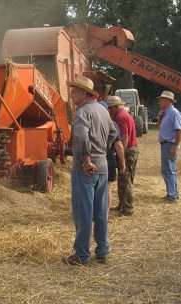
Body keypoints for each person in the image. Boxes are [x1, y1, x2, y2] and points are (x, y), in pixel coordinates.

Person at [62, 75, 117, 266]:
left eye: (75, 91)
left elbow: (81, 137)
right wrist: (102, 151)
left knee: (83, 212)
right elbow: (113, 133)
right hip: (102, 167)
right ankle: (102, 251)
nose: (71, 94)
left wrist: (86, 160)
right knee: (100, 211)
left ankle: (82, 255)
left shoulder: (82, 112)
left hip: (85, 169)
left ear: (85, 93)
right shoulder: (102, 110)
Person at [106, 95, 139, 216]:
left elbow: (124, 137)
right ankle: (122, 204)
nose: (109, 111)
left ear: (115, 107)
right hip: (132, 148)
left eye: (110, 108)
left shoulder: (120, 117)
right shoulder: (125, 114)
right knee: (123, 179)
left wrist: (122, 157)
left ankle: (128, 208)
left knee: (125, 179)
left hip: (128, 150)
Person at [157, 90, 181, 202]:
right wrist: (160, 117)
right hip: (166, 144)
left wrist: (174, 146)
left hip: (169, 144)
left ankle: (172, 196)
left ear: (168, 101)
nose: (159, 102)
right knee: (168, 170)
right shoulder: (165, 113)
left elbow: (179, 131)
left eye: (161, 100)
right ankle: (172, 193)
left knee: (169, 170)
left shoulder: (174, 113)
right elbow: (160, 128)